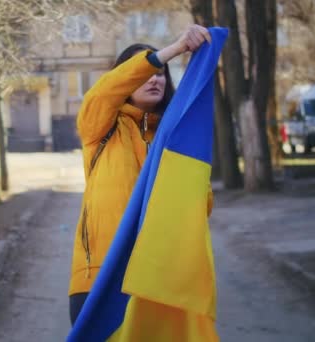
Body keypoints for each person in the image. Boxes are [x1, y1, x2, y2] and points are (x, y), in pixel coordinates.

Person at [68, 24, 215, 326]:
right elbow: (105, 91)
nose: (155, 79)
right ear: (125, 80)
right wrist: (173, 50)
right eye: (147, 72)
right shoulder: (100, 125)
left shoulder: (174, 138)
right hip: (99, 274)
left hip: (156, 279)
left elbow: (202, 204)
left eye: (160, 74)